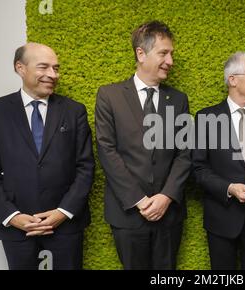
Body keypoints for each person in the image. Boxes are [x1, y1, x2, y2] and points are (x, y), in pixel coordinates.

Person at [0, 43, 95, 270]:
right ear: (20, 68)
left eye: (56, 68)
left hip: (65, 229)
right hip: (18, 230)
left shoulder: (74, 111)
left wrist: (63, 212)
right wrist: (12, 216)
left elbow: (85, 167)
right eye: (44, 67)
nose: (52, 74)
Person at [95, 20, 191, 270]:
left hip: (168, 215)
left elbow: (184, 154)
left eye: (171, 53)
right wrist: (139, 200)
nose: (170, 60)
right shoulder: (109, 96)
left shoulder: (179, 100)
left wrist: (166, 197)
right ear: (141, 53)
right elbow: (107, 151)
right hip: (127, 214)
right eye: (163, 53)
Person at [192, 52, 245, 270]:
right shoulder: (205, 118)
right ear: (233, 79)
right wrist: (230, 188)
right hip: (221, 218)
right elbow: (198, 169)